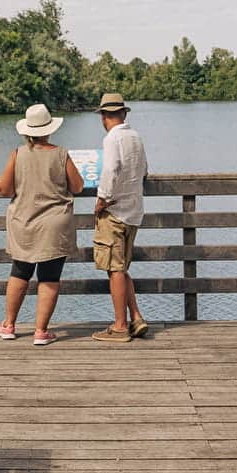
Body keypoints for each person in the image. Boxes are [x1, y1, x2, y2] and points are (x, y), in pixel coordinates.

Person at [0, 103, 82, 346]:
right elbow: (77, 186)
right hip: (55, 224)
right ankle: (41, 331)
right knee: (50, 277)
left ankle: (9, 325)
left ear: (26, 131)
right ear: (49, 129)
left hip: (23, 222)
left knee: (20, 271)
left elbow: (3, 189)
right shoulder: (61, 153)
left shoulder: (18, 153)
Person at [91, 93, 149, 342]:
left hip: (114, 212)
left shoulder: (112, 138)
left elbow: (111, 168)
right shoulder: (135, 137)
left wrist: (102, 199)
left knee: (114, 269)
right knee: (121, 268)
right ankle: (136, 318)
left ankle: (119, 326)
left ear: (104, 117)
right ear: (124, 113)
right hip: (134, 211)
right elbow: (145, 170)